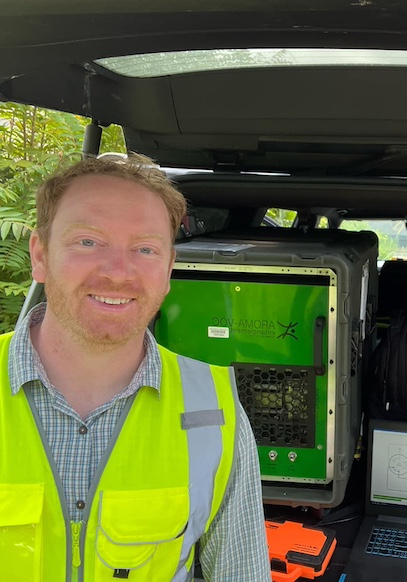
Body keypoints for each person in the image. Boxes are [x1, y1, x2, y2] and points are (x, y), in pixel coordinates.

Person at [0, 154, 271, 581]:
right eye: (88, 241)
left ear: (167, 270)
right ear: (40, 255)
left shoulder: (215, 413)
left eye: (144, 249)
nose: (118, 273)